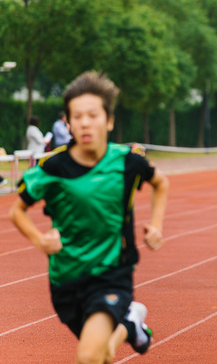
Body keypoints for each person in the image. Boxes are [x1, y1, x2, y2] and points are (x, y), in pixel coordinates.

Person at [9, 71, 169, 364]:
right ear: (68, 123)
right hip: (65, 281)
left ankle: (128, 318)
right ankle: (131, 323)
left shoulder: (127, 162)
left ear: (108, 121)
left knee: (87, 357)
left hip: (111, 274)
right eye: (77, 116)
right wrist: (40, 240)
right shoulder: (53, 168)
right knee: (102, 355)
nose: (85, 122)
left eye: (92, 115)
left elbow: (161, 183)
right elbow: (16, 210)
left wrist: (156, 225)